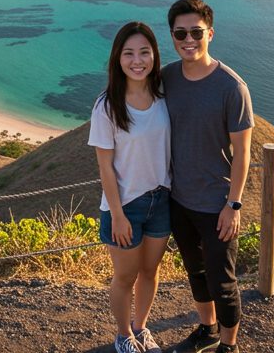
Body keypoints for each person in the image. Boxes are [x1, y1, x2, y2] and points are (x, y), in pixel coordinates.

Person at [162, 0, 254, 353]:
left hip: (217, 204)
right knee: (195, 273)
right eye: (180, 32)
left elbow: (243, 153)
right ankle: (208, 329)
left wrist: (234, 204)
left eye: (196, 32)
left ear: (210, 34)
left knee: (223, 282)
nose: (188, 39)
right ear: (172, 35)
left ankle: (228, 346)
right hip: (178, 198)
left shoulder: (232, 88)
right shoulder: (167, 76)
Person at [89, 21, 172, 353]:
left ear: (154, 55)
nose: (137, 61)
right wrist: (119, 215)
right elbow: (105, 167)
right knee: (125, 278)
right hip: (125, 206)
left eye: (144, 52)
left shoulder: (165, 95)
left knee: (150, 272)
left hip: (162, 200)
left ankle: (141, 329)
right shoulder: (107, 106)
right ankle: (123, 337)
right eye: (129, 53)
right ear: (117, 58)